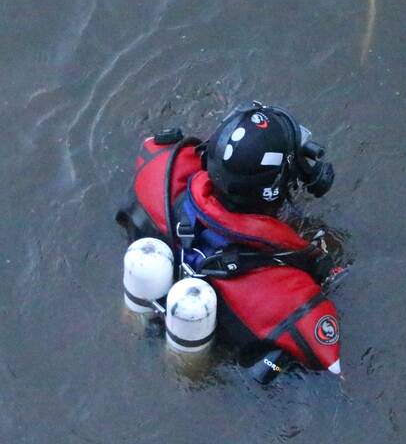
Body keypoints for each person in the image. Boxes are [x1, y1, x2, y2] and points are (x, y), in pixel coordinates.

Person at [116, 101, 342, 376]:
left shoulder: (158, 167)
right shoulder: (290, 301)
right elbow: (332, 368)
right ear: (275, 190)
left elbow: (157, 148)